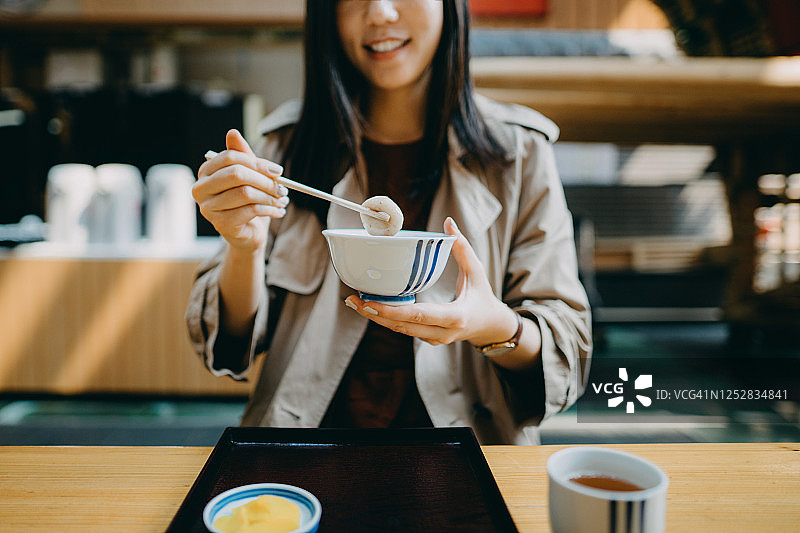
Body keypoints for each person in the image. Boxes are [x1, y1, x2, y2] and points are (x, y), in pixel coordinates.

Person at [186, 0, 592, 445]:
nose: (379, 12)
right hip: (300, 452)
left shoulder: (520, 155)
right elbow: (225, 345)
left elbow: (566, 357)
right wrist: (245, 249)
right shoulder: (283, 148)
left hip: (469, 458)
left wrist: (494, 326)